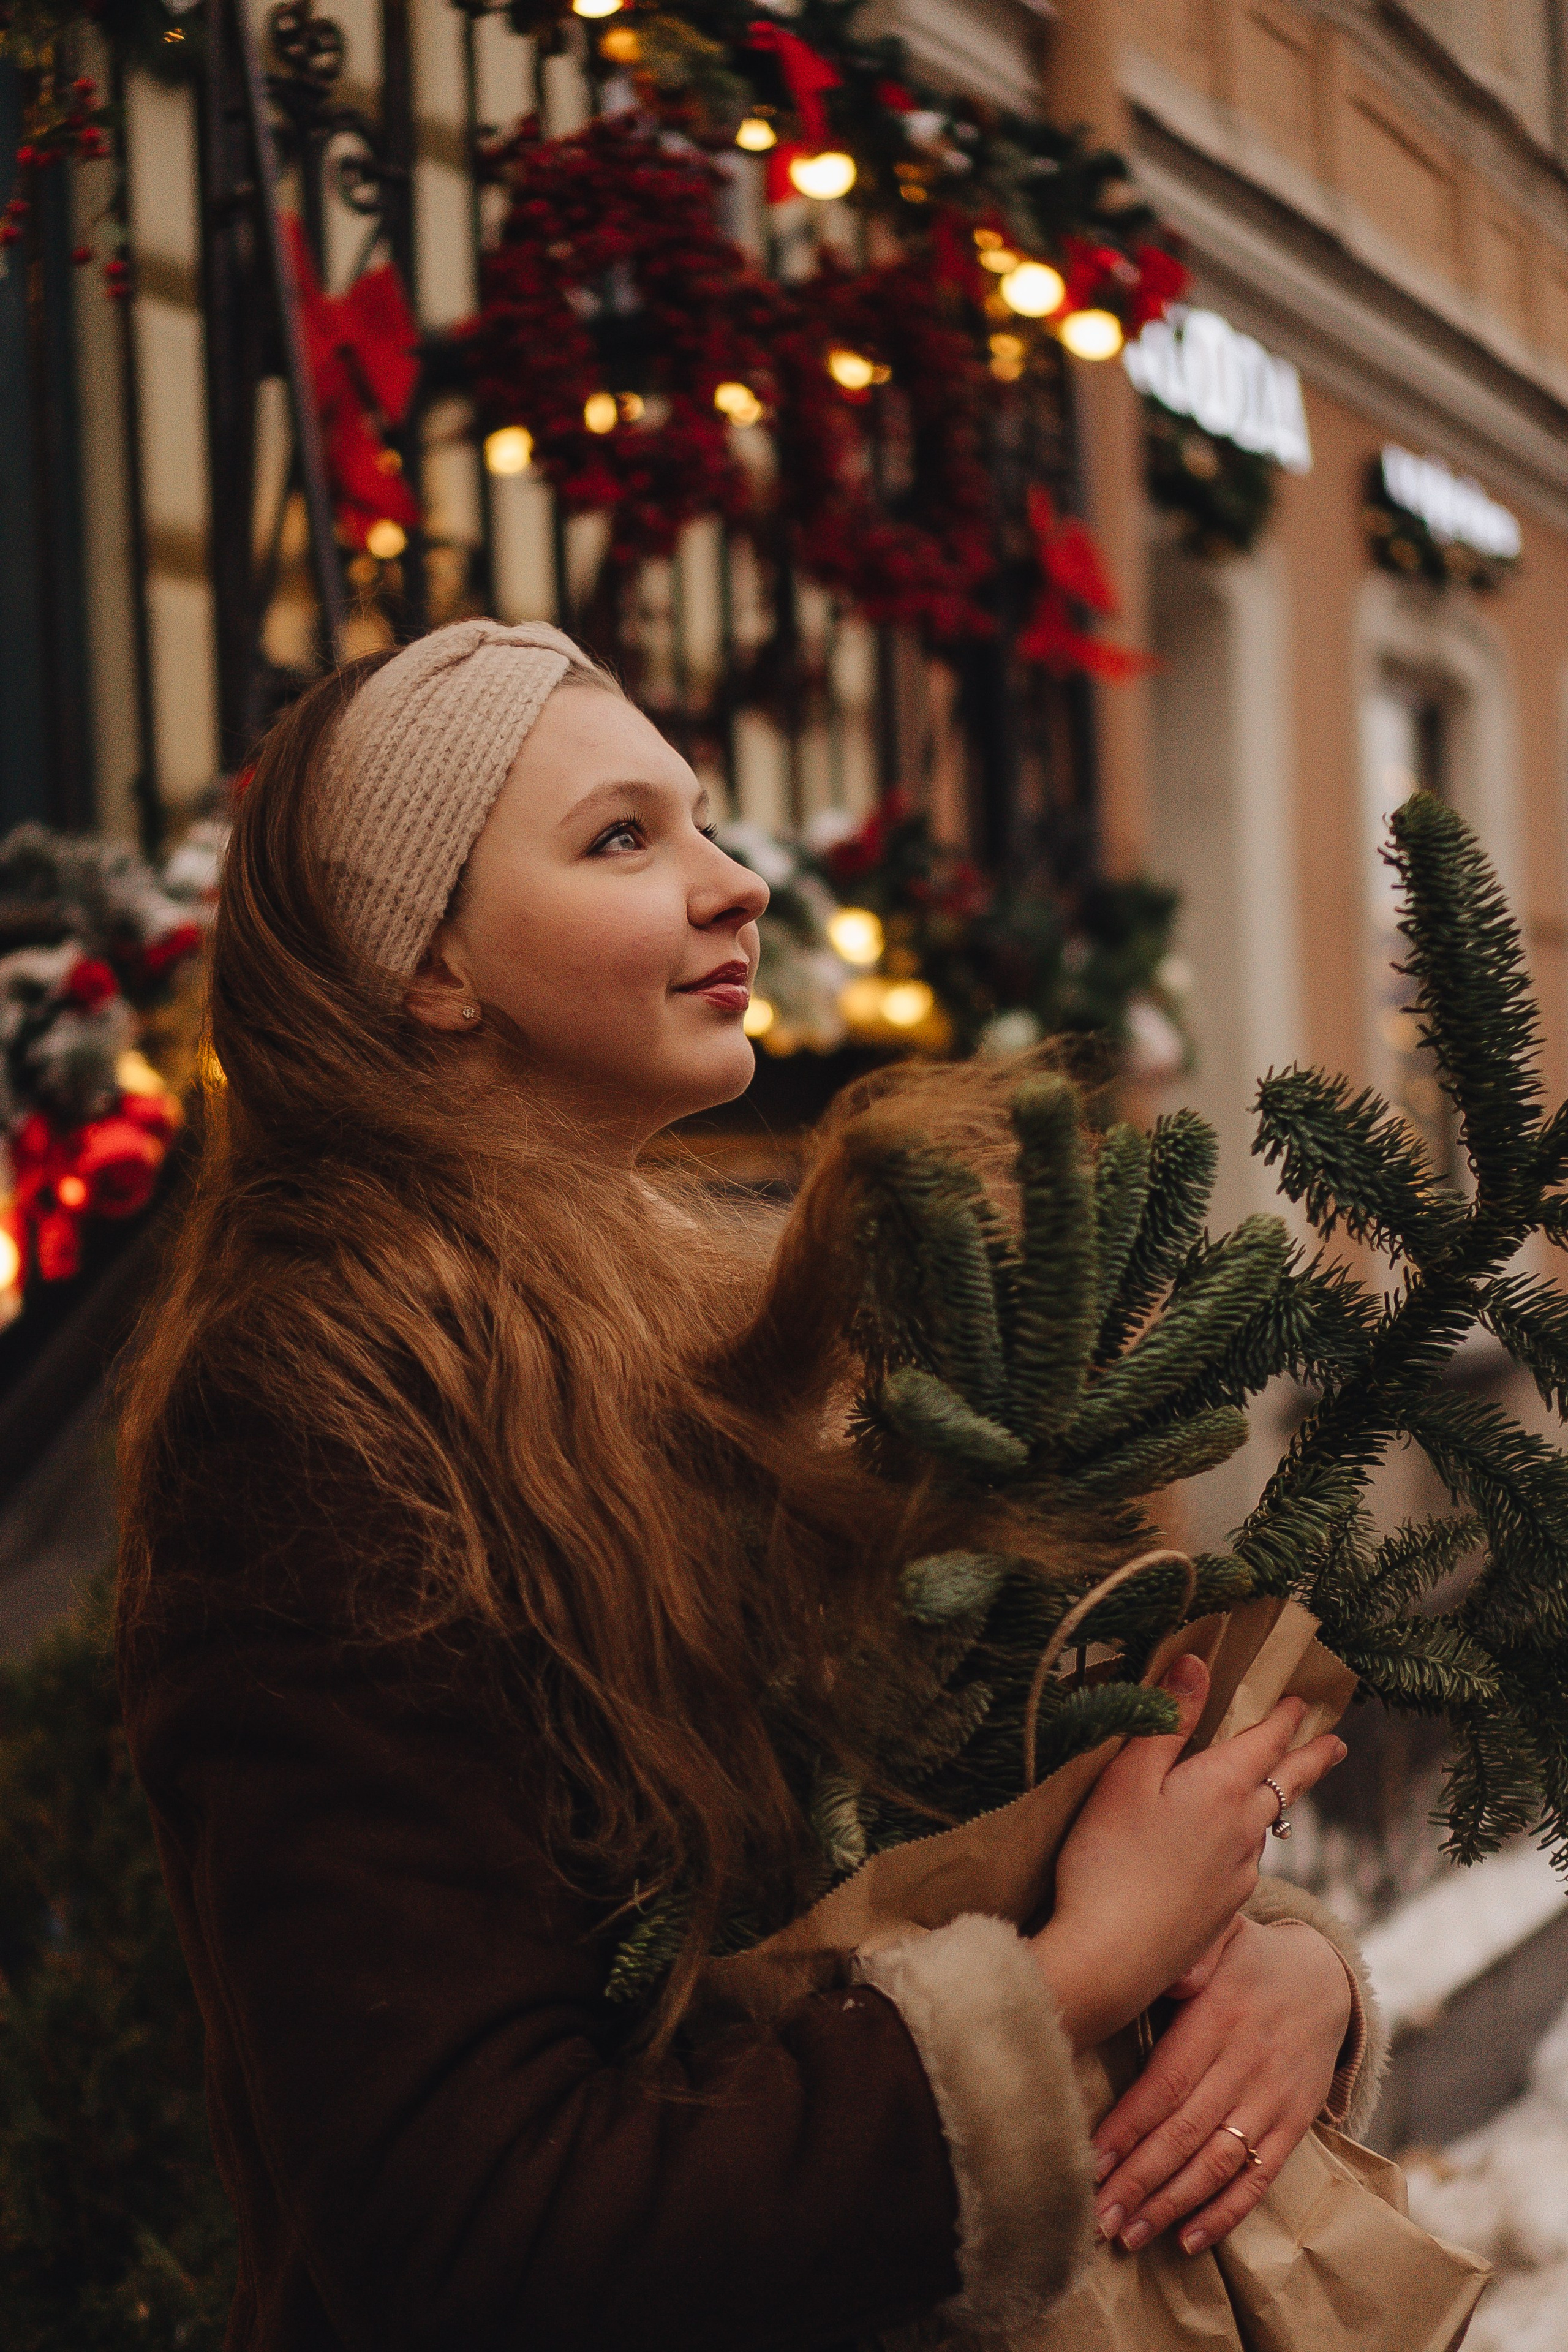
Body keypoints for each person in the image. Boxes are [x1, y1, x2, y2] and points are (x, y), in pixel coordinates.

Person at [116, 621, 1382, 2352]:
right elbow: (476, 2225)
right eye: (624, 838)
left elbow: (943, 1809)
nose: (737, 888)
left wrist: (1272, 1965)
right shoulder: (323, 1416)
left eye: (704, 821)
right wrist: (1077, 1981)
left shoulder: (725, 1321)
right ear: (426, 967)